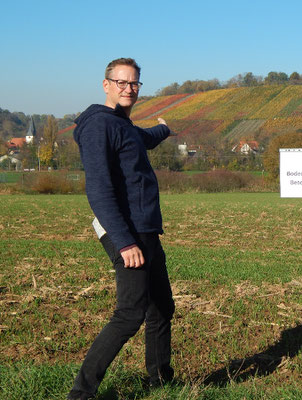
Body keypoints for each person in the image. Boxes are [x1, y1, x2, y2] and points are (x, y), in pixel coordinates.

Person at [68, 58, 175, 400]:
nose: (129, 89)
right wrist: (125, 241)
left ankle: (159, 381)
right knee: (130, 314)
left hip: (145, 229)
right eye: (122, 83)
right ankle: (81, 392)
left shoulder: (122, 124)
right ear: (106, 84)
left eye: (135, 84)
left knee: (161, 307)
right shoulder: (99, 125)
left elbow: (144, 138)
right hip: (128, 231)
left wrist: (164, 129)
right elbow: (98, 189)